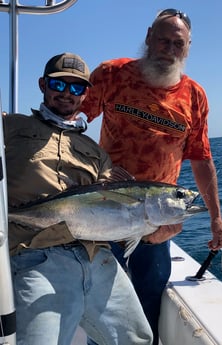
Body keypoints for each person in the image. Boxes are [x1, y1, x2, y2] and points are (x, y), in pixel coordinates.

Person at [80, 9, 222, 345]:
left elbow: (201, 158)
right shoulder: (113, 74)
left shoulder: (194, 96)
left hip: (158, 224)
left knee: (149, 306)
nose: (169, 47)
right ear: (148, 37)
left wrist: (216, 218)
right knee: (102, 308)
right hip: (106, 215)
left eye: (178, 43)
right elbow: (74, 121)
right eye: (163, 39)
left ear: (188, 48)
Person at [4, 52, 153, 345]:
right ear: (42, 85)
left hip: (96, 256)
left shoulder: (96, 152)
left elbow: (108, 202)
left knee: (138, 339)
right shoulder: (11, 128)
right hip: (37, 255)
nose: (66, 94)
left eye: (76, 88)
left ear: (85, 95)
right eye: (59, 85)